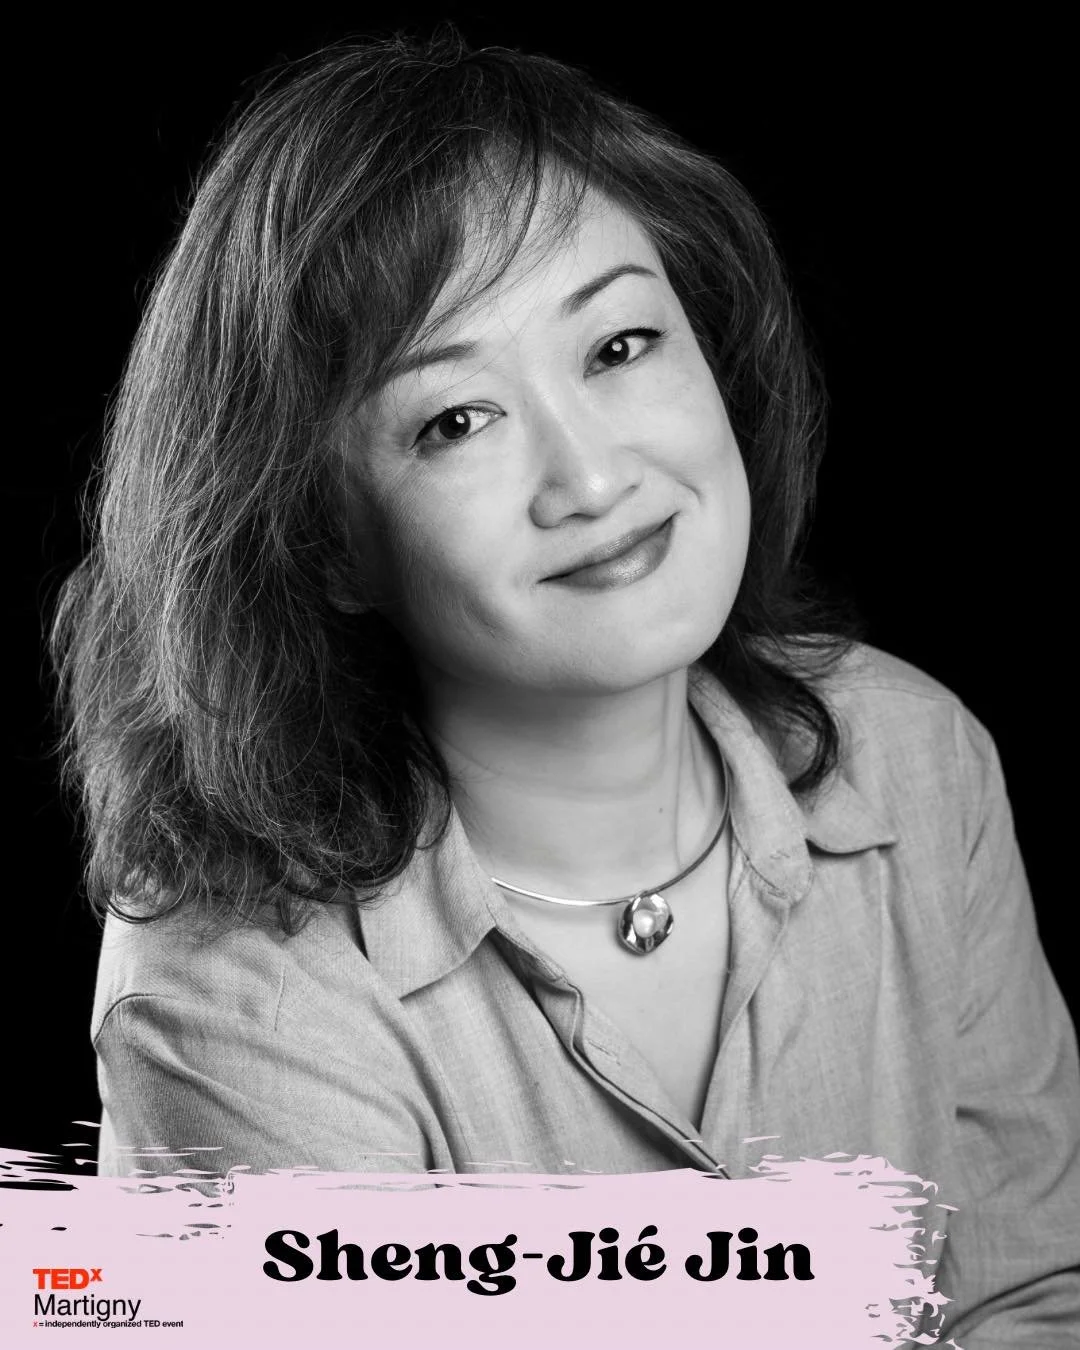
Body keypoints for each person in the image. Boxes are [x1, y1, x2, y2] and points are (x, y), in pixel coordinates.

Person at [49, 29, 1078, 1345]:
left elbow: (1024, 1293)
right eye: (455, 420)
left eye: (620, 346)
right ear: (326, 544)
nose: (592, 479)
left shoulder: (920, 757)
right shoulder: (226, 1001)